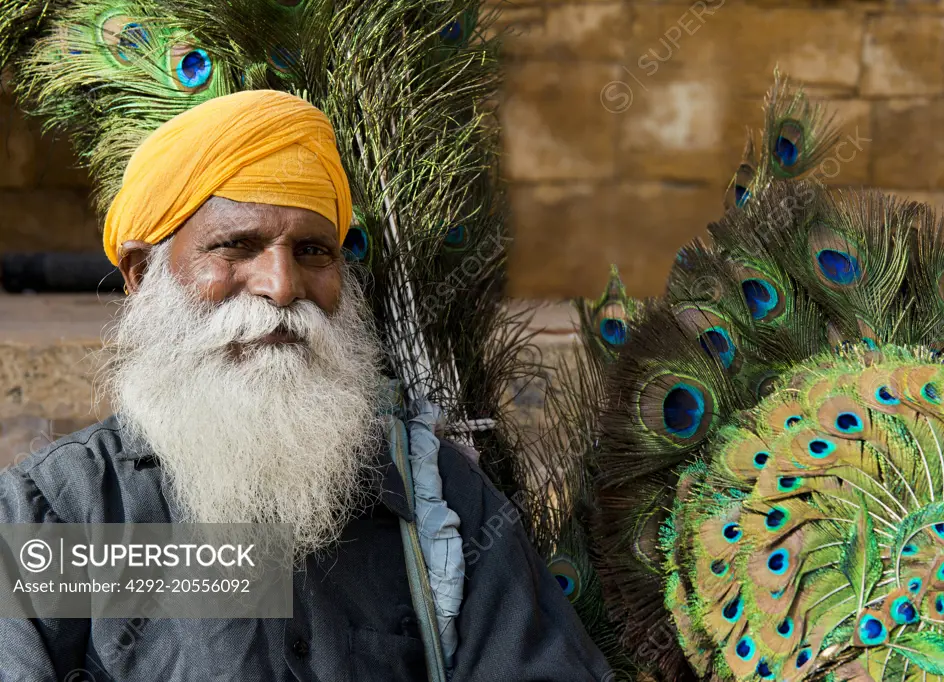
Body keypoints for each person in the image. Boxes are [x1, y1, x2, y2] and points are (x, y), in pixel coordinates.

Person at [0, 90, 611, 681]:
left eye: (314, 251)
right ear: (140, 273)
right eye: (236, 246)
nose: (282, 285)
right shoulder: (58, 514)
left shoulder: (438, 498)